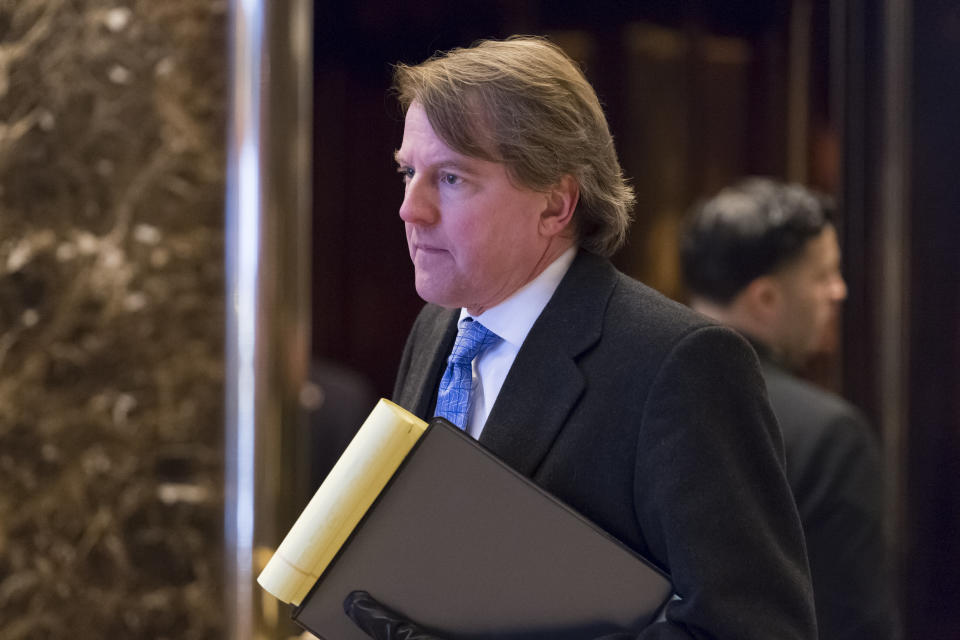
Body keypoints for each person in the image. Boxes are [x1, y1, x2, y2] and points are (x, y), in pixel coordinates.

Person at [344, 37, 816, 639]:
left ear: (557, 203)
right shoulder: (439, 327)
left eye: (453, 178)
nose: (411, 209)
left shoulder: (680, 363)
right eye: (409, 173)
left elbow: (752, 628)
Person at [681, 177, 896, 639]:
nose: (839, 291)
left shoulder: (627, 392)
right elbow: (855, 623)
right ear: (765, 299)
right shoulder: (828, 434)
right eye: (823, 276)